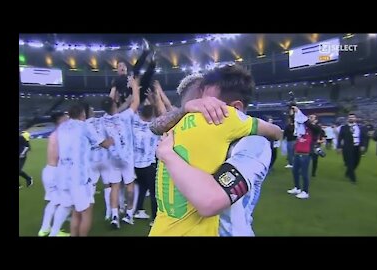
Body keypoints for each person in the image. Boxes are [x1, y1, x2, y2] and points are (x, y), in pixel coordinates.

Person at [149, 65, 282, 236]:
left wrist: (168, 155)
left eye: (209, 105)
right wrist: (186, 108)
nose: (200, 110)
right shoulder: (197, 125)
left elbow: (210, 201)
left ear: (236, 109)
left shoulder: (254, 144)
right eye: (199, 103)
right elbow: (155, 126)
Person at [56, 103, 113, 236]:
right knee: (86, 212)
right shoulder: (85, 126)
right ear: (82, 114)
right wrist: (113, 139)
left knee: (76, 210)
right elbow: (104, 144)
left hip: (64, 176)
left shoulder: (62, 127)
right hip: (79, 178)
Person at [101, 75, 140, 228]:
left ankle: (115, 216)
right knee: (129, 185)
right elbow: (135, 102)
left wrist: (113, 89)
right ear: (115, 105)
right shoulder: (124, 117)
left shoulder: (103, 120)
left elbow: (109, 104)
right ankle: (129, 214)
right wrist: (135, 86)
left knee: (115, 187)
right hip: (127, 158)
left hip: (113, 159)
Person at [37, 112, 70, 237]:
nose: (68, 120)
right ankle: (55, 232)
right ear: (61, 120)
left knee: (53, 201)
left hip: (48, 170)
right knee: (66, 203)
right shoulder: (61, 135)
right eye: (66, 118)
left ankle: (44, 229)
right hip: (57, 172)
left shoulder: (53, 134)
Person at [286, 107, 322, 199]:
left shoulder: (316, 128)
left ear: (316, 120)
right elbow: (296, 120)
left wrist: (299, 112)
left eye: (312, 117)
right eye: (309, 117)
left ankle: (305, 191)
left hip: (306, 153)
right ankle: (297, 188)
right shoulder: (303, 128)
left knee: (304, 173)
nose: (310, 118)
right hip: (298, 152)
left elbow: (308, 123)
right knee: (295, 171)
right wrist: (293, 112)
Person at [336, 113, 368, 183]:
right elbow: (340, 138)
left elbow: (364, 137)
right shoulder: (344, 127)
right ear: (348, 119)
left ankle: (348, 172)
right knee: (350, 162)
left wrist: (363, 145)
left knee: (356, 162)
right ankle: (353, 179)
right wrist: (339, 147)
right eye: (350, 117)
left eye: (352, 117)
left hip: (357, 147)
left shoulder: (360, 127)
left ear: (355, 118)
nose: (351, 118)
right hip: (347, 148)